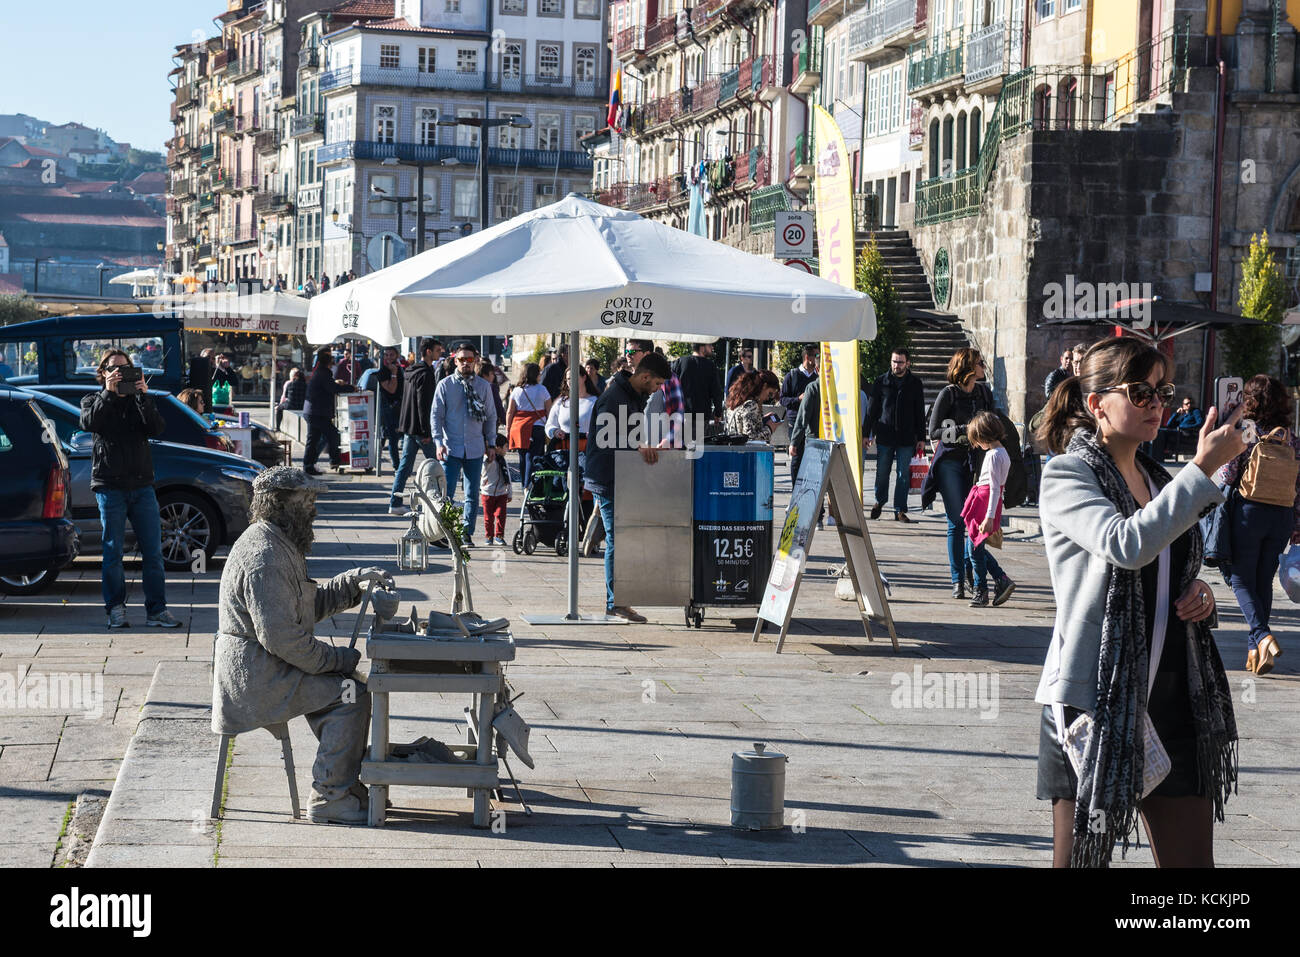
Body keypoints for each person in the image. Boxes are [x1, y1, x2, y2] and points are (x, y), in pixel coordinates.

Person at [1034, 336, 1243, 868]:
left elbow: (1174, 566)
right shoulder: (1067, 475)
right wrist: (1201, 472)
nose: (1158, 406)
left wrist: (1199, 592)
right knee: (1081, 862)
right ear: (1095, 403)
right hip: (1098, 702)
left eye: (1162, 392)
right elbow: (1126, 545)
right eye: (1141, 393)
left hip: (1175, 694)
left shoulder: (1156, 476)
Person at [211, 465, 394, 825]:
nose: (313, 507)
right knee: (350, 695)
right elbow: (284, 639)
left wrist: (354, 583)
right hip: (256, 681)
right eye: (306, 499)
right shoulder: (265, 557)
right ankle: (329, 796)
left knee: (349, 688)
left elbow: (304, 609)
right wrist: (339, 659)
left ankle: (341, 781)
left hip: (268, 668)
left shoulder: (280, 544)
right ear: (280, 504)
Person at [78, 350, 182, 630]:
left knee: (153, 553)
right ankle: (115, 609)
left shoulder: (139, 401)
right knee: (113, 552)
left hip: (142, 486)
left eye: (126, 369)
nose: (121, 373)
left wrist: (143, 396)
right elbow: (90, 423)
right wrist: (110, 393)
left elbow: (156, 428)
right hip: (110, 486)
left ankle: (156, 611)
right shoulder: (93, 400)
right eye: (115, 369)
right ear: (103, 373)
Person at [584, 350, 671, 623]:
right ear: (645, 376)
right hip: (608, 476)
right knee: (618, 540)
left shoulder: (634, 396)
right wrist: (638, 446)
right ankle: (616, 602)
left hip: (623, 475)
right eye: (657, 384)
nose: (658, 390)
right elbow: (605, 438)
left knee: (621, 537)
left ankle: (619, 600)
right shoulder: (614, 397)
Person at [1221, 375, 1300, 675]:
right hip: (1280, 515)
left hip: (1248, 511)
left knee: (1240, 578)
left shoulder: (1247, 430)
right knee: (1262, 580)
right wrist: (1297, 522)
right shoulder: (1290, 436)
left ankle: (1262, 635)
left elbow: (1229, 474)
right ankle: (1255, 648)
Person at [923, 348, 1017, 603]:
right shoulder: (948, 394)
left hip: (977, 462)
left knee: (971, 524)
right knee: (957, 522)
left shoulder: (983, 392)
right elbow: (933, 432)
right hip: (951, 461)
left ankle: (976, 576)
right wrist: (969, 430)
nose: (984, 366)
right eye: (980, 363)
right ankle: (958, 580)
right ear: (968, 366)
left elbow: (994, 421)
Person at [432, 342, 498, 548]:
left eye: (470, 360)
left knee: (472, 494)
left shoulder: (483, 386)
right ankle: (446, 531)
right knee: (447, 493)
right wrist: (438, 442)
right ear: (455, 361)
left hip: (475, 447)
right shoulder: (445, 385)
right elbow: (436, 416)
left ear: (476, 361)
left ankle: (466, 533)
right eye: (461, 360)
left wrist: (492, 443)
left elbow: (491, 416)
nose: (465, 364)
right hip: (451, 447)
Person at [863, 348, 927, 522]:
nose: (896, 365)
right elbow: (871, 411)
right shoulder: (880, 382)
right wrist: (866, 433)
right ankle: (880, 501)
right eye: (894, 361)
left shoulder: (915, 383)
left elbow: (919, 412)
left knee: (903, 474)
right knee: (882, 472)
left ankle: (900, 509)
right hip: (885, 435)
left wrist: (921, 437)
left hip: (906, 438)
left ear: (907, 363)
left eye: (900, 362)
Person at [389, 338, 442, 515]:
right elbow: (423, 404)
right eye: (436, 350)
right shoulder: (425, 373)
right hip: (420, 429)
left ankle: (395, 502)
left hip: (408, 426)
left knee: (405, 466)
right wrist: (427, 431)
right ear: (428, 351)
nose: (439, 353)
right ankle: (440, 500)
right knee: (436, 466)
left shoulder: (411, 370)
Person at [961, 413, 1009, 607]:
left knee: (974, 549)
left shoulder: (994, 455)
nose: (976, 444)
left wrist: (989, 516)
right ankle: (999, 579)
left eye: (976, 440)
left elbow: (995, 487)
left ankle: (981, 588)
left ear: (983, 436)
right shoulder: (1001, 453)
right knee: (972, 547)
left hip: (984, 503)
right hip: (984, 501)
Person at [302, 347, 353, 476]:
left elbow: (329, 385)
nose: (333, 359)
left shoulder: (321, 372)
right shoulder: (324, 372)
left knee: (314, 440)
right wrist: (350, 388)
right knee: (332, 435)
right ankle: (333, 461)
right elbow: (332, 388)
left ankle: (309, 465)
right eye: (331, 357)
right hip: (317, 412)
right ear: (328, 361)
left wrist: (337, 384)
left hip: (314, 411)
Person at [506, 362, 552, 486]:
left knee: (522, 458)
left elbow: (510, 412)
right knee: (533, 457)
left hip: (519, 428)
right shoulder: (542, 390)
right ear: (536, 374)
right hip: (537, 426)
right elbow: (549, 410)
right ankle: (530, 486)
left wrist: (508, 429)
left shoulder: (516, 390)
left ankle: (523, 485)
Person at [722, 370, 781, 443]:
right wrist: (770, 428)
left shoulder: (738, 401)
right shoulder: (751, 405)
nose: (768, 398)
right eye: (770, 394)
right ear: (764, 386)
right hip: (744, 452)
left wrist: (761, 419)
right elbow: (751, 439)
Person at [672, 340, 723, 422]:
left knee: (682, 435)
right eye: (710, 345)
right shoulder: (710, 366)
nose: (712, 348)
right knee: (698, 435)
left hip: (681, 414)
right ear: (702, 348)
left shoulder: (680, 362)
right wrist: (718, 413)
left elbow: (671, 384)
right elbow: (716, 392)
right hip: (700, 416)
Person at [545, 367, 599, 443]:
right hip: (564, 451)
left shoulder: (596, 401)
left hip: (588, 450)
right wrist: (555, 431)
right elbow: (549, 425)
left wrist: (594, 434)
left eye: (574, 377)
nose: (571, 381)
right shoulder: (561, 402)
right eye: (568, 379)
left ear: (584, 378)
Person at [374, 346, 404, 472]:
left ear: (397, 356)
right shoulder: (383, 371)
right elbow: (391, 389)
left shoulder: (399, 368)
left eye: (391, 355)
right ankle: (397, 466)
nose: (388, 357)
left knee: (392, 437)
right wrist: (393, 374)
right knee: (392, 438)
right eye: (386, 355)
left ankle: (398, 465)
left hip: (400, 406)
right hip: (389, 408)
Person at [480, 434, 512, 547]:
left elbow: (508, 476)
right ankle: (489, 536)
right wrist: (489, 457)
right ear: (497, 448)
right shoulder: (488, 459)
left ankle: (499, 536)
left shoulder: (503, 461)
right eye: (505, 446)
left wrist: (509, 492)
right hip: (488, 493)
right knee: (488, 517)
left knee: (501, 516)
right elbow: (484, 467)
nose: (507, 449)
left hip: (502, 492)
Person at [1152, 396, 1205, 462]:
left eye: (1191, 403)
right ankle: (1156, 456)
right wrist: (1176, 414)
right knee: (1159, 432)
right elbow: (1169, 425)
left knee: (1161, 433)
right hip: (1179, 432)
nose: (1189, 405)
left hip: (1187, 433)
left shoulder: (1196, 412)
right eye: (1187, 403)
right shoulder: (1183, 416)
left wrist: (1184, 427)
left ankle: (1158, 458)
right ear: (1183, 405)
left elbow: (1200, 423)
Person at [276, 367, 307, 432]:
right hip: (302, 406)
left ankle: (278, 427)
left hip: (290, 405)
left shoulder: (290, 384)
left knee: (279, 408)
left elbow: (286, 395)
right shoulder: (306, 385)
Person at [479, 359, 506, 428]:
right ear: (484, 375)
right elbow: (498, 405)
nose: (494, 376)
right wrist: (504, 419)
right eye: (492, 373)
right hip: (491, 421)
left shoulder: (472, 385)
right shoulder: (491, 387)